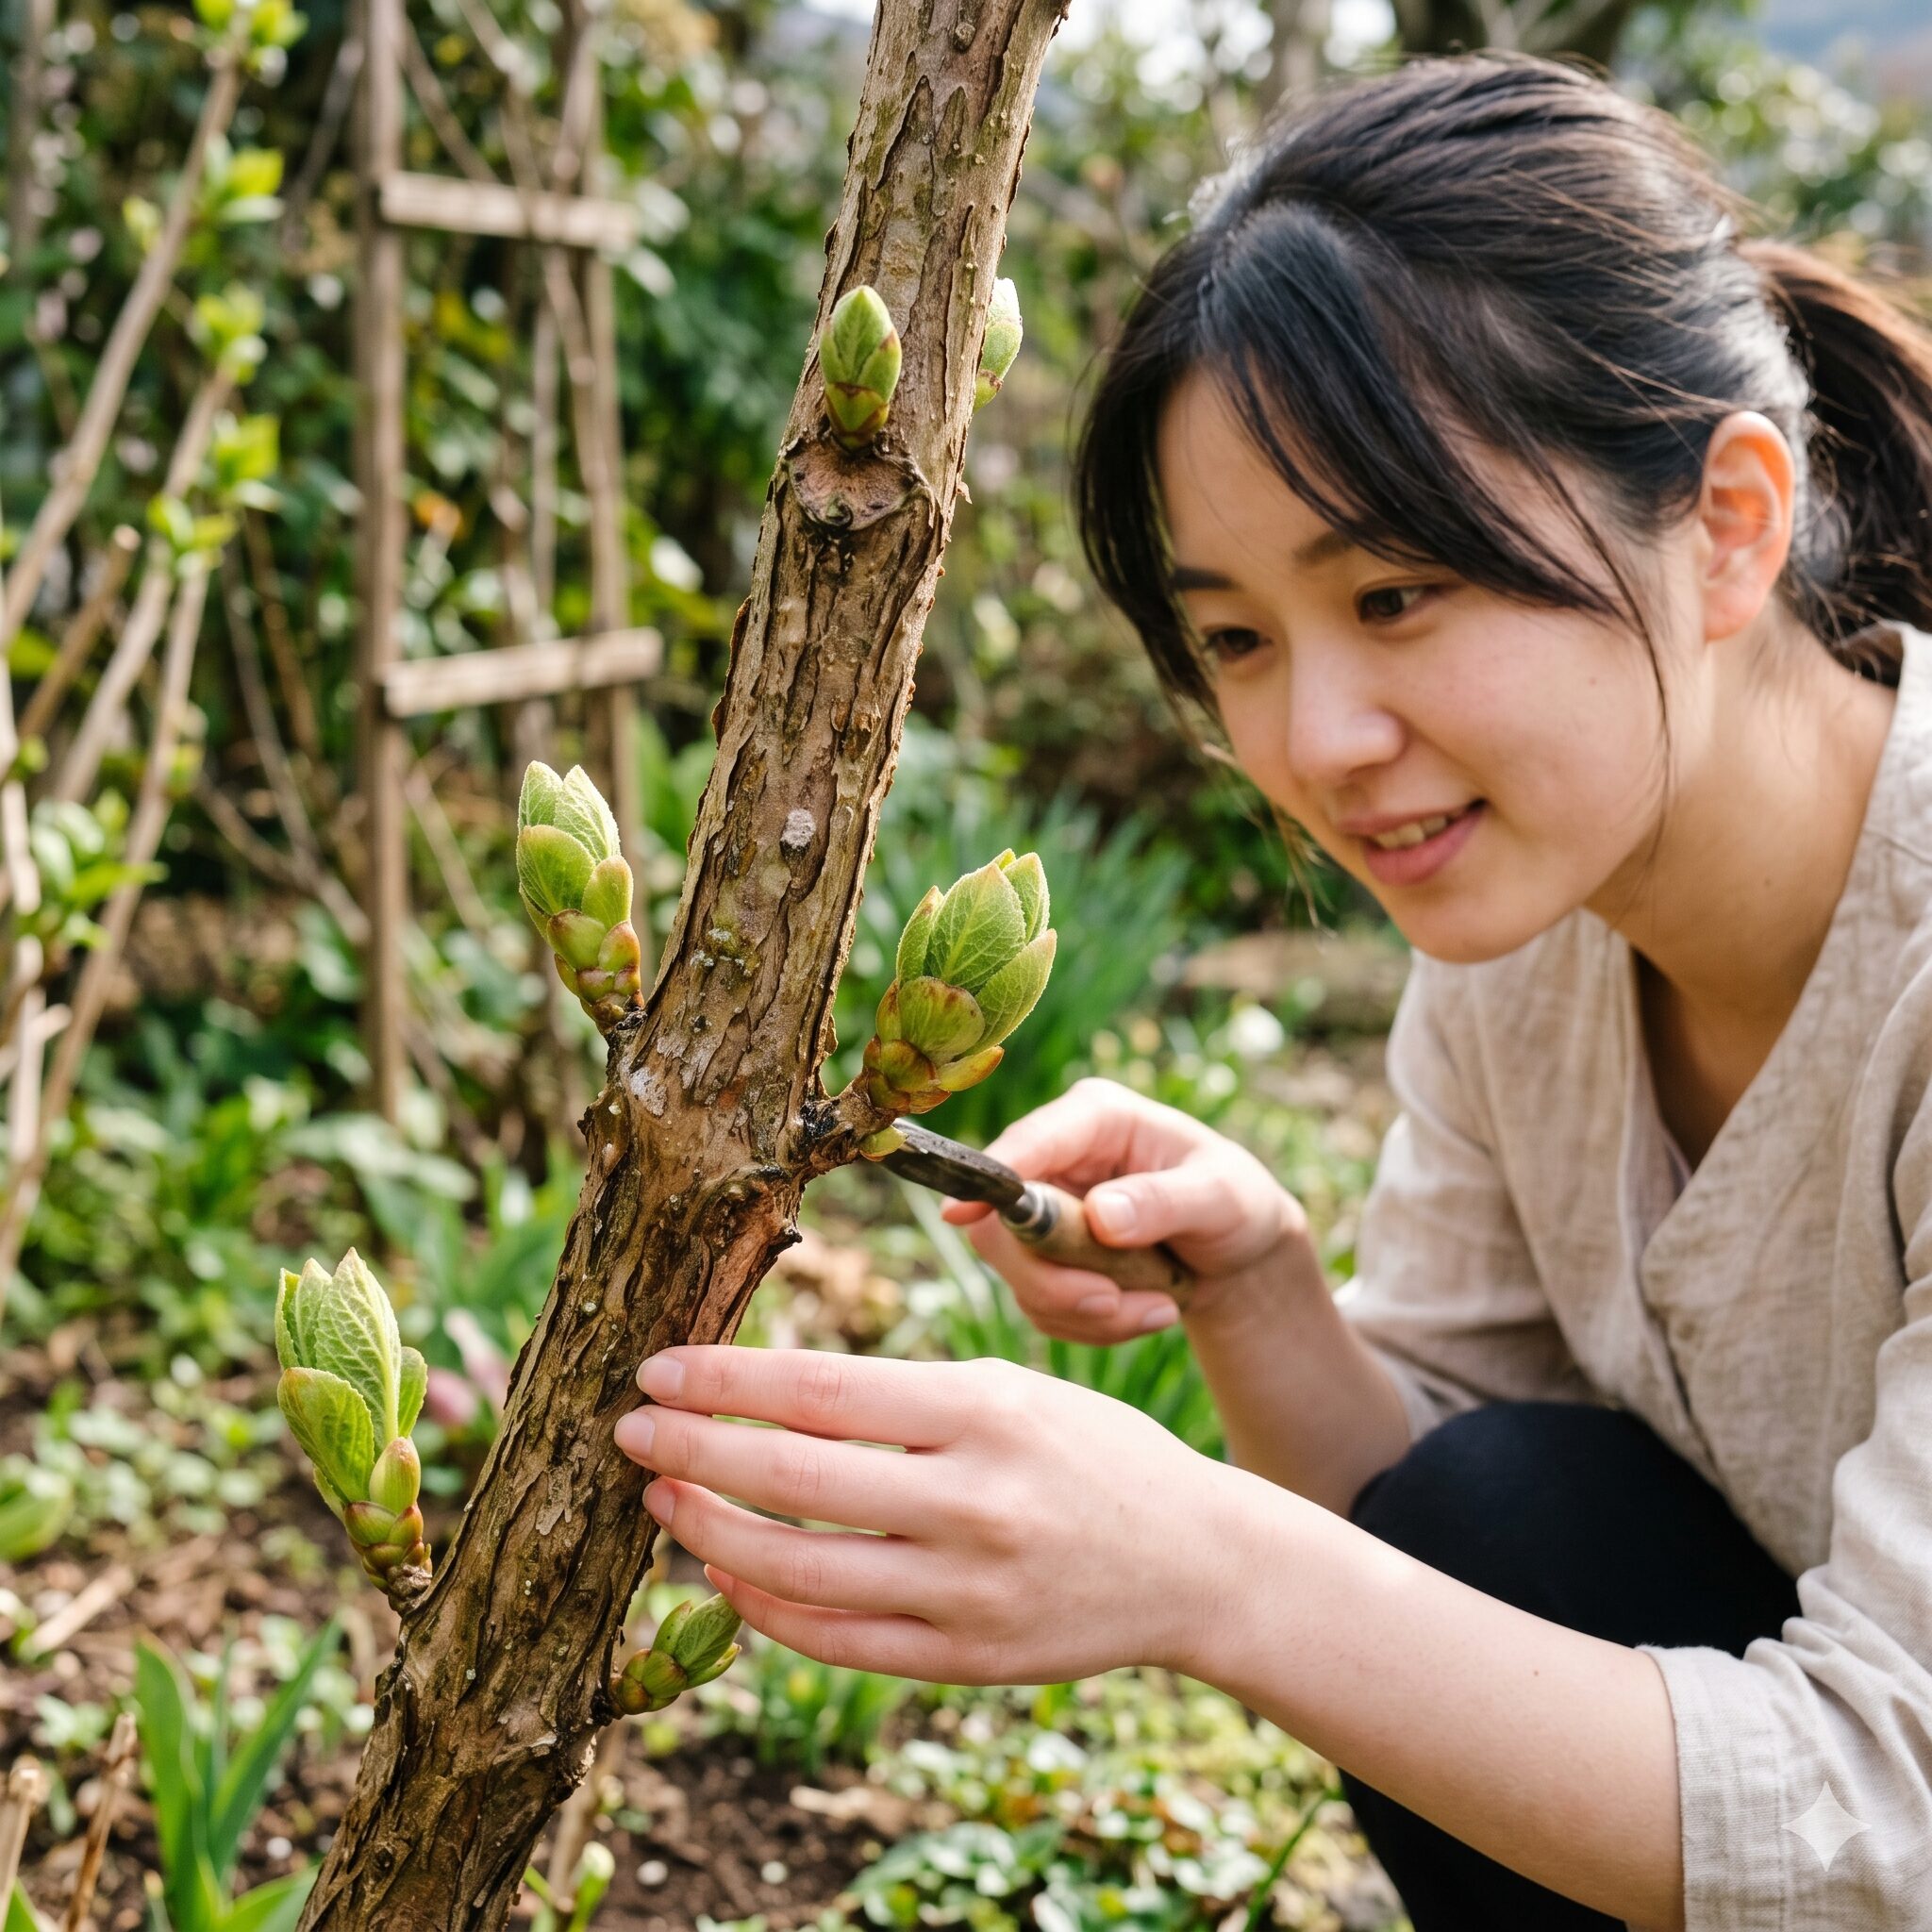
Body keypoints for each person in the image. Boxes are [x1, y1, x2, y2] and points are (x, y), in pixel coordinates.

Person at [613, 51, 1932, 1931]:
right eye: (1234, 636)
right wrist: (1260, 1300)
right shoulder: (1536, 922)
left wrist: (1199, 1566)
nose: (1314, 739)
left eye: (1396, 593)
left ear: (1725, 523)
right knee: (1497, 1518)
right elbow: (1466, 1550)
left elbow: (1893, 1823)